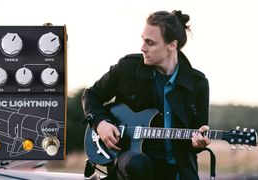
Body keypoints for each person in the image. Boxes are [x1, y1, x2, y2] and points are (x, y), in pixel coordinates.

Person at [82, 10, 211, 180]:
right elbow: (91, 95)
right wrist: (101, 123)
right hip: (132, 161)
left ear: (172, 45)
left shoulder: (197, 83)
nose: (142, 48)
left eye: (150, 43)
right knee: (138, 164)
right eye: (143, 40)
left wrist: (198, 143)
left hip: (178, 167)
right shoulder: (127, 68)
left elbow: (197, 136)